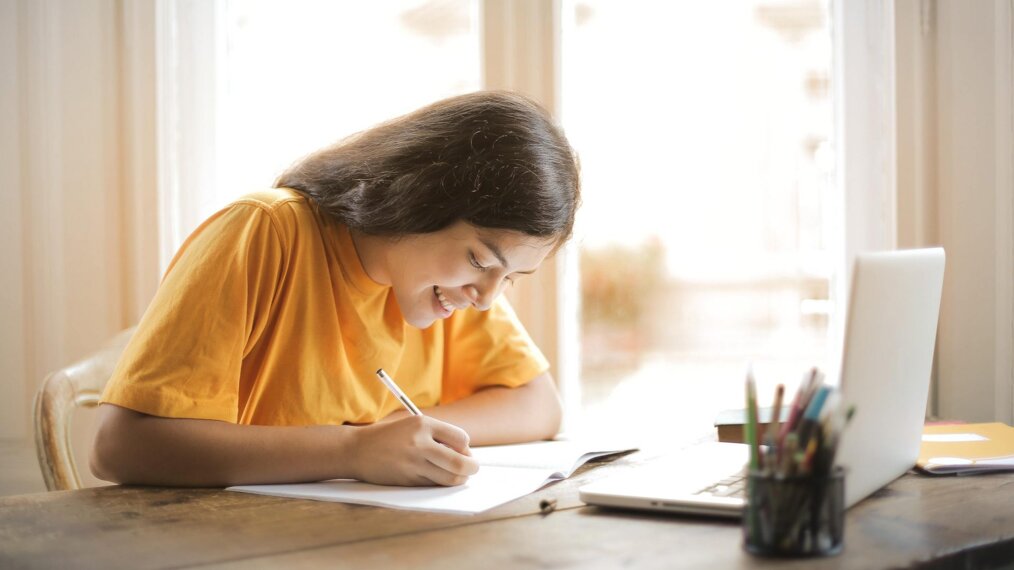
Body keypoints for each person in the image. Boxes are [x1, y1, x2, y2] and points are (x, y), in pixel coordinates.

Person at [90, 91, 581, 488]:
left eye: (510, 278)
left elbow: (539, 405)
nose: (488, 297)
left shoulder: (452, 288)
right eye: (479, 260)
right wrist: (354, 450)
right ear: (418, 199)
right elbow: (120, 447)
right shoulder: (265, 232)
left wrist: (404, 434)